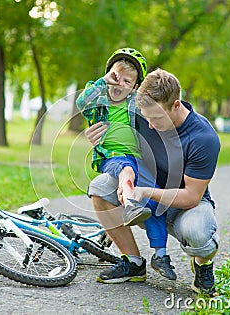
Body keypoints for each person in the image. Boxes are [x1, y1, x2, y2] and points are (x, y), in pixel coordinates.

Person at [86, 68, 220, 296]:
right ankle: (133, 263)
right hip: (145, 196)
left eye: (156, 118)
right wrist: (102, 141)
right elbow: (114, 135)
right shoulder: (145, 116)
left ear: (176, 105)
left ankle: (203, 265)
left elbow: (191, 197)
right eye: (145, 116)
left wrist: (144, 192)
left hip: (183, 207)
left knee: (198, 234)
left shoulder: (203, 138)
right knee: (99, 187)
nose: (148, 124)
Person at [77, 48, 177, 281]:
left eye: (127, 81)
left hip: (142, 161)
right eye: (115, 76)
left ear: (135, 87)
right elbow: (82, 101)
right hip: (115, 158)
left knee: (153, 201)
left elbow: (162, 109)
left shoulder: (136, 103)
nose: (119, 83)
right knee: (125, 169)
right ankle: (130, 205)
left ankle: (160, 254)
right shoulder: (100, 101)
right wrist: (104, 81)